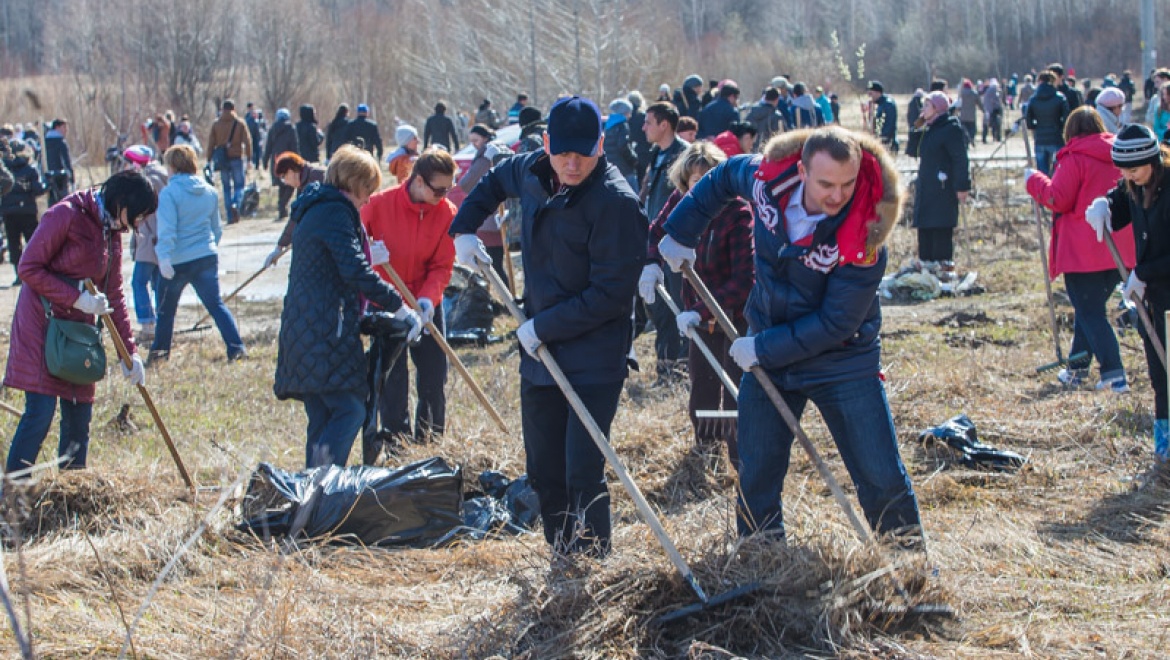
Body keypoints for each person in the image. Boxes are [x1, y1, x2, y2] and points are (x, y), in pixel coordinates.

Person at [660, 126, 921, 540]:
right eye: (826, 184)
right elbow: (723, 177)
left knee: (880, 473)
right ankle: (760, 556)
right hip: (770, 350)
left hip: (842, 361)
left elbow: (837, 323)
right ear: (801, 170)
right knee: (756, 468)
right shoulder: (766, 180)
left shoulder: (867, 232)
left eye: (847, 184)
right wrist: (682, 230)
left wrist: (762, 347)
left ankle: (908, 565)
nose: (838, 196)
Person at [449, 96, 647, 556]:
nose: (572, 164)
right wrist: (465, 227)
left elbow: (611, 294)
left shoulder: (616, 204)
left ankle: (593, 563)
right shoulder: (533, 171)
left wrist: (544, 327)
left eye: (584, 152)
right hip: (539, 354)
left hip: (594, 356)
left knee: (582, 469)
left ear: (601, 143)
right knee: (544, 471)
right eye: (562, 153)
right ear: (545, 145)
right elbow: (495, 179)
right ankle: (562, 554)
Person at [275, 145, 422, 468]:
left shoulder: (315, 207)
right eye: (367, 191)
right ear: (353, 184)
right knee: (350, 409)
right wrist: (399, 306)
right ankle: (322, 487)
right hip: (326, 329)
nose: (369, 199)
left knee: (321, 414)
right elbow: (354, 269)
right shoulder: (335, 212)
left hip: (304, 326)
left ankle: (311, 498)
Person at [4, 170, 156, 475]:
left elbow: (113, 294)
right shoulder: (65, 215)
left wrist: (130, 352)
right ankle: (11, 501)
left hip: (79, 335)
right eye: (137, 215)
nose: (137, 224)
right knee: (40, 413)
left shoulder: (111, 231)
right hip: (42, 326)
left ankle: (70, 497)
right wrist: (75, 297)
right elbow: (28, 268)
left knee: (79, 415)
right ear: (121, 202)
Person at [644, 141, 752, 462]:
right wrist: (652, 264)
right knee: (702, 387)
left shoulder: (737, 212)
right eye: (695, 182)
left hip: (735, 318)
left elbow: (746, 279)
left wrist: (701, 309)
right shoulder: (681, 203)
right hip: (700, 317)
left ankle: (739, 460)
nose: (702, 188)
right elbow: (657, 232)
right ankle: (707, 452)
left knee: (735, 392)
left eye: (709, 180)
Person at [1025, 107, 1134, 391]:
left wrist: (1033, 180)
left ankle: (1113, 374)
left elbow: (1056, 198)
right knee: (1091, 308)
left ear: (1070, 131)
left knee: (1089, 312)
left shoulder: (1074, 158)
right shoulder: (1118, 154)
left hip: (1083, 251)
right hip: (1119, 250)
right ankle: (1077, 369)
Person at [1085, 124, 1170, 465]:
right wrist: (1103, 206)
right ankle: (1164, 442)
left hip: (1164, 291)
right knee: (1159, 374)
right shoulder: (1134, 186)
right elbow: (1119, 203)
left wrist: (1143, 272)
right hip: (1153, 298)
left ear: (1153, 160)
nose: (1129, 178)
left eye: (1134, 170)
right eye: (1123, 172)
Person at [361, 148, 457, 447]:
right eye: (438, 189)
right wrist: (369, 254)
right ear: (417, 181)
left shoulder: (446, 213)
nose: (444, 195)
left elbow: (442, 264)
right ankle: (397, 447)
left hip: (425, 304)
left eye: (448, 188)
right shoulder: (378, 205)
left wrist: (428, 301)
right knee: (392, 380)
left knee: (433, 376)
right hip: (388, 304)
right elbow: (352, 241)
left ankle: (430, 442)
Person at [148, 145, 246, 364]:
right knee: (216, 305)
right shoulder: (209, 191)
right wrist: (208, 247)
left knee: (166, 311)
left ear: (172, 166)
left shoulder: (169, 194)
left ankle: (159, 356)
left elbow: (167, 230)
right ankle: (237, 347)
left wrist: (163, 257)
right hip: (206, 257)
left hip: (176, 261)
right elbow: (217, 229)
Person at [639, 101, 689, 382]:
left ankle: (683, 369)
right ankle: (665, 367)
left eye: (648, 122)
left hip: (676, 243)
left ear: (664, 125)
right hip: (655, 242)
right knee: (658, 307)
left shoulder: (684, 156)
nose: (643, 127)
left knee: (680, 305)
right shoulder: (657, 155)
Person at [912, 92, 970, 278]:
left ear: (937, 108)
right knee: (926, 225)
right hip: (927, 186)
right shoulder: (929, 129)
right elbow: (913, 151)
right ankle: (926, 264)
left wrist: (962, 186)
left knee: (940, 225)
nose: (923, 110)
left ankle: (942, 266)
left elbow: (960, 159)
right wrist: (917, 126)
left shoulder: (950, 128)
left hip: (943, 187)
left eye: (927, 106)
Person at [122, 145, 169, 340]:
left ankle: (148, 323)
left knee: (139, 282)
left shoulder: (150, 180)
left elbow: (154, 212)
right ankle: (162, 322)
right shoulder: (159, 175)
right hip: (155, 237)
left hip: (150, 238)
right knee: (157, 283)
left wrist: (154, 235)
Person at [460, 125, 511, 288]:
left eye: (476, 140)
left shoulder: (486, 157)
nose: (474, 144)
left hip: (488, 219)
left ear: (486, 138)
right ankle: (503, 297)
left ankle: (504, 299)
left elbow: (466, 183)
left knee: (491, 264)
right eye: (471, 141)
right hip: (501, 216)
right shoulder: (504, 150)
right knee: (496, 262)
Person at [264, 152, 327, 268]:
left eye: (284, 177)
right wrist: (279, 247)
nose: (285, 182)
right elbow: (296, 217)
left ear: (291, 171)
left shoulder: (319, 177)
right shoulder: (303, 184)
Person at [0, 138, 46, 285]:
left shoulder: (4, 169)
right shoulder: (30, 169)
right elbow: (38, 189)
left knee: (14, 244)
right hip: (28, 211)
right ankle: (35, 271)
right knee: (32, 243)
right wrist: (48, 185)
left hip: (9, 212)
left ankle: (18, 274)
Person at [206, 99, 252, 224]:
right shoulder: (239, 123)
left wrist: (208, 159)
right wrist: (249, 158)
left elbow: (211, 143)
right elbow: (247, 141)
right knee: (239, 185)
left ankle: (230, 216)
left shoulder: (216, 124)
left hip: (222, 160)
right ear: (234, 109)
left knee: (226, 188)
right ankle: (236, 204)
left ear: (222, 109)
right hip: (237, 157)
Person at [1026, 71, 1071, 175]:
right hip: (1056, 137)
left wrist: (1036, 127)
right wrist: (1060, 128)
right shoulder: (1060, 98)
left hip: (1040, 138)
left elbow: (1029, 122)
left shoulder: (1033, 99)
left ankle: (1043, 191)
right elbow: (1066, 119)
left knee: (1042, 173)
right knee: (1059, 171)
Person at [263, 108, 299, 221]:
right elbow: (294, 146)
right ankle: (282, 205)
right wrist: (298, 160)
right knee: (290, 185)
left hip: (276, 160)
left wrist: (265, 161)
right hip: (288, 160)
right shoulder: (291, 129)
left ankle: (282, 209)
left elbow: (268, 146)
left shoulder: (272, 129)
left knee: (281, 185)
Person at [604, 98, 639, 189]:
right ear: (624, 113)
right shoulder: (622, 125)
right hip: (624, 168)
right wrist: (634, 159)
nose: (630, 115)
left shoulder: (608, 125)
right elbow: (623, 146)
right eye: (629, 112)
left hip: (612, 166)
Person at [44, 118, 73, 205]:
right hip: (61, 180)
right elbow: (66, 162)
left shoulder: (45, 142)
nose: (66, 130)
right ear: (57, 127)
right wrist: (72, 178)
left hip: (47, 179)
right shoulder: (61, 143)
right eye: (64, 127)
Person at [866, 81, 898, 153]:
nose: (869, 96)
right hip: (878, 141)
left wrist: (882, 140)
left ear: (878, 92)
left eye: (871, 93)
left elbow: (889, 125)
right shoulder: (876, 105)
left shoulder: (888, 104)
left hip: (887, 143)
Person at [958, 80, 980, 147]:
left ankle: (966, 142)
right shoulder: (974, 93)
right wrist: (983, 110)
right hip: (972, 116)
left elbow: (959, 103)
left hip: (963, 115)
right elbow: (979, 103)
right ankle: (971, 138)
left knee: (964, 130)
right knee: (972, 129)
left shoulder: (961, 94)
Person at [982, 78, 1004, 143]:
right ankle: (997, 137)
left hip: (987, 109)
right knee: (997, 124)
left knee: (986, 124)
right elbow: (996, 99)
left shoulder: (987, 90)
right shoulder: (994, 89)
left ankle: (984, 138)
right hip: (993, 110)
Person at [245, 103, 264, 169]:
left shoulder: (247, 118)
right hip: (253, 137)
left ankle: (255, 164)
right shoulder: (249, 118)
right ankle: (255, 164)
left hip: (253, 137)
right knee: (254, 151)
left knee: (254, 151)